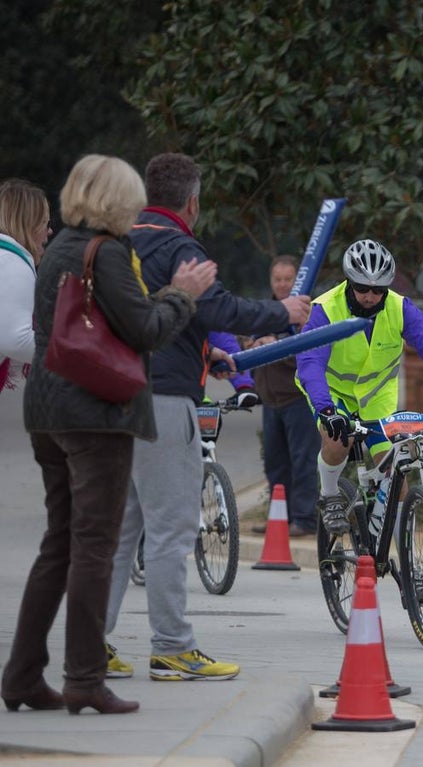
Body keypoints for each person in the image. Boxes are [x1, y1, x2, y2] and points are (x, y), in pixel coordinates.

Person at [2, 154, 216, 715]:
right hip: (96, 416)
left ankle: (23, 674)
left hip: (48, 412)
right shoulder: (108, 253)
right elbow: (146, 331)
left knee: (60, 545)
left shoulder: (56, 252)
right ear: (117, 202)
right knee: (96, 547)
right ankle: (85, 679)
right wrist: (181, 293)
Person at [103, 153, 312, 683]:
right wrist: (282, 314)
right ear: (193, 201)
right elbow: (217, 309)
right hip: (165, 402)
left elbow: (160, 316)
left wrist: (203, 354)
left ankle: (92, 641)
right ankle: (172, 646)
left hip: (115, 397)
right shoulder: (179, 246)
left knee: (120, 530)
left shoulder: (121, 239)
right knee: (173, 529)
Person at [296, 239, 423, 536]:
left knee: (398, 484)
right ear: (349, 282)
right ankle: (329, 496)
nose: (370, 296)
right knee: (337, 440)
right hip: (332, 393)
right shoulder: (325, 309)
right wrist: (326, 409)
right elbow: (310, 363)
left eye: (378, 290)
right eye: (362, 288)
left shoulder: (399, 307)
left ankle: (407, 564)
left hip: (376, 396)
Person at [248, 256, 320, 537]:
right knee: (275, 462)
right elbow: (248, 342)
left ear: (297, 281)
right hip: (270, 400)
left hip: (298, 397)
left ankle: (304, 519)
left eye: (287, 279)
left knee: (302, 460)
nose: (281, 284)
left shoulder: (306, 312)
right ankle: (279, 517)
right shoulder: (265, 310)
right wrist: (252, 343)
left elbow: (310, 351)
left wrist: (274, 345)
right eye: (277, 279)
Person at [0, 179, 51, 392]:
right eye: (45, 223)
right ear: (29, 225)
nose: (49, 231)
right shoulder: (13, 263)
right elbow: (15, 340)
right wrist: (69, 351)